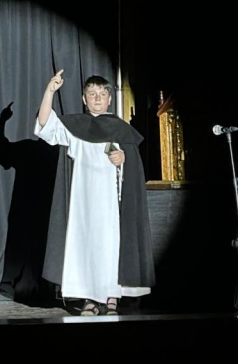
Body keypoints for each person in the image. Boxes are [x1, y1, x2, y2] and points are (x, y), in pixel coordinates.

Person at [35, 69, 154, 315]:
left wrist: (123, 159)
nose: (97, 98)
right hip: (82, 202)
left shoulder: (121, 129)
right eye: (92, 94)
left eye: (102, 94)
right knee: (85, 246)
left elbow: (133, 168)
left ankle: (111, 297)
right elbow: (45, 125)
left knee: (111, 246)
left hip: (111, 202)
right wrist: (49, 92)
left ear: (110, 99)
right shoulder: (76, 127)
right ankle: (89, 298)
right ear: (84, 99)